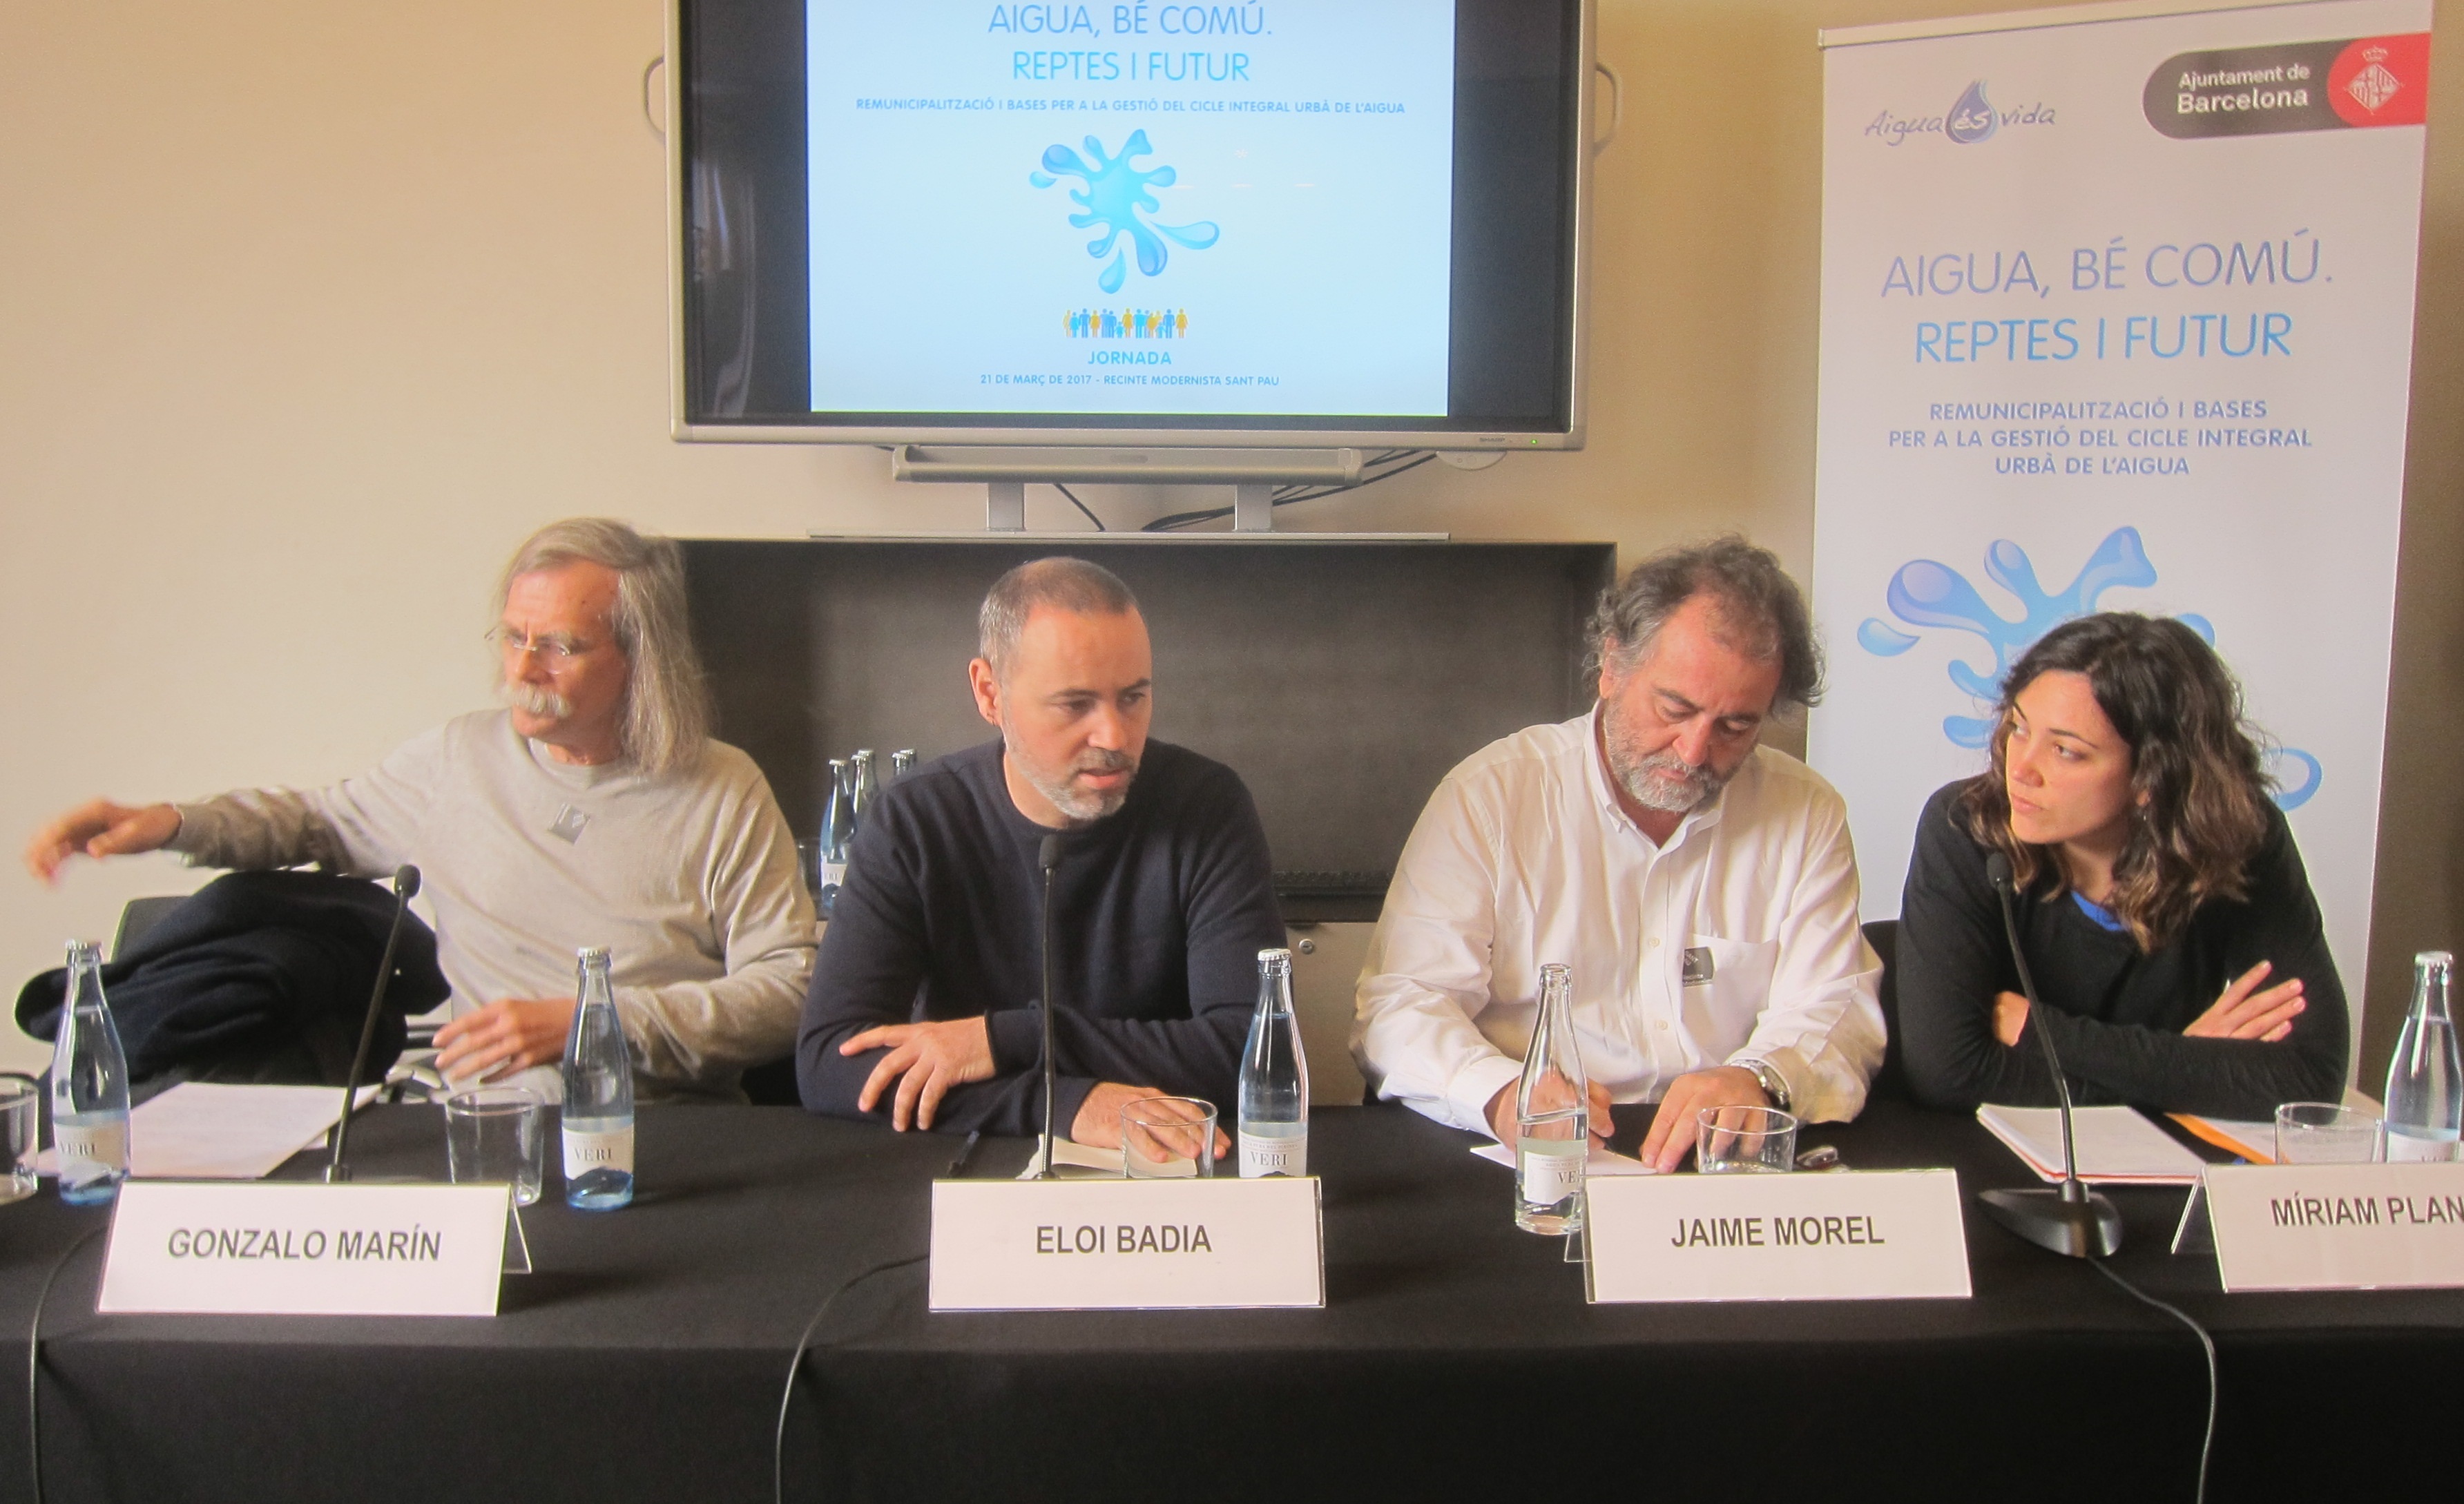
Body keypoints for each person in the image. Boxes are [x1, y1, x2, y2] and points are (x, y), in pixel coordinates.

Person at [23, 517, 818, 1101]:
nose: (523, 669)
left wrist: (595, 1021)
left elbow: (789, 987)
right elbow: (314, 822)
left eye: (559, 646)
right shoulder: (457, 760)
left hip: (668, 1133)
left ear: (641, 660)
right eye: (513, 637)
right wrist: (172, 823)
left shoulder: (721, 788)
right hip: (487, 1124)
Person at [1355, 536, 1884, 1172]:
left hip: (1717, 1156)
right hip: (1527, 1151)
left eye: (1736, 726)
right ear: (1612, 666)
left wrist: (1760, 1078)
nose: (1694, 750)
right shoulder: (1492, 797)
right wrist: (1497, 1092)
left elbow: (1838, 1007)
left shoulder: (1805, 811)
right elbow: (1401, 1004)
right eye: (1675, 708)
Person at [796, 557, 1284, 1147]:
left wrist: (1010, 1040)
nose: (1114, 736)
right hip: (974, 1169)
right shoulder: (915, 820)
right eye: (1075, 705)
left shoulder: (1207, 806)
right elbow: (831, 1064)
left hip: (1167, 1167)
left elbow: (1252, 1051)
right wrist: (1067, 1106)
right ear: (990, 693)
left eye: (1133, 697)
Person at [1896, 611, 2347, 1119]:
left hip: (2162, 1162)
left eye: (2065, 751)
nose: (2019, 768)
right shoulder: (1964, 825)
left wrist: (2040, 1032)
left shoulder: (2239, 837)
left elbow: (2310, 1082)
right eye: (2019, 728)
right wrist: (2188, 1068)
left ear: (2151, 779)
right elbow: (1947, 1074)